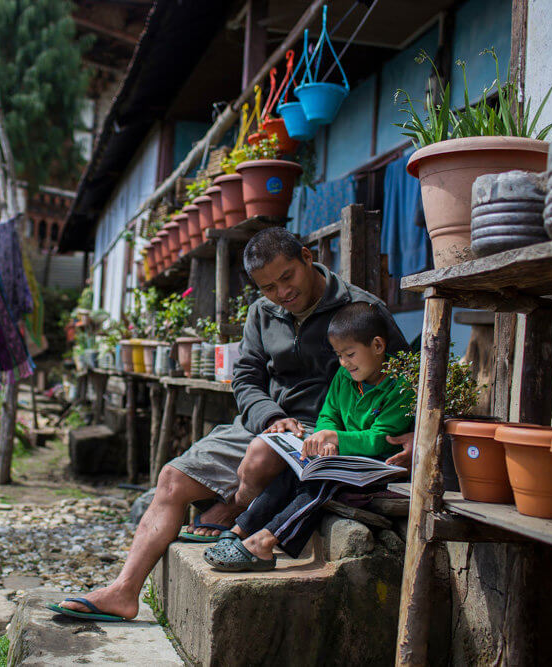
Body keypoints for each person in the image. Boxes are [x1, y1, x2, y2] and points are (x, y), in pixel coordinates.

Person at [51, 227, 412, 622]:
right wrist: (269, 416)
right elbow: (246, 378)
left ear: (307, 258)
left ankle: (233, 508)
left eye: (287, 277)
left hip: (323, 430)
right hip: (263, 421)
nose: (281, 293)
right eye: (268, 287)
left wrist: (416, 433)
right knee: (171, 478)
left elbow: (409, 376)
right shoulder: (261, 313)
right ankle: (123, 591)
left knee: (260, 460)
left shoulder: (360, 308)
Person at [203, 301, 415, 570]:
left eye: (349, 354)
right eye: (339, 355)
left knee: (321, 483)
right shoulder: (344, 376)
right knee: (293, 472)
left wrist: (337, 439)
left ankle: (265, 543)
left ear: (377, 346)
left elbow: (380, 439)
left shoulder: (401, 386)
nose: (344, 362)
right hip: (345, 461)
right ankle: (241, 530)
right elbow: (329, 415)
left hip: (378, 471)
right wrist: (328, 438)